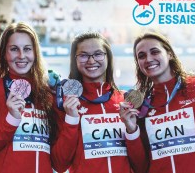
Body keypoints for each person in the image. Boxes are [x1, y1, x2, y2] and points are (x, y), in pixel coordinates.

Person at [119, 31, 195, 173]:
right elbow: (141, 167)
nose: (148, 59)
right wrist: (131, 130)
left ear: (169, 54)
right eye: (141, 56)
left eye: (154, 52)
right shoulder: (143, 105)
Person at [0, 22, 62, 172]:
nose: (21, 56)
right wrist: (10, 121)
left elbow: (61, 163)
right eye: (14, 49)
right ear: (5, 54)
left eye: (27, 49)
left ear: (35, 53)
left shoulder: (47, 93)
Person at [52, 32, 142, 173]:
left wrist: (132, 131)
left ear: (108, 57)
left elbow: (141, 167)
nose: (91, 61)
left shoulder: (125, 101)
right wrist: (71, 120)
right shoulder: (66, 105)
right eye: (83, 55)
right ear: (74, 60)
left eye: (98, 54)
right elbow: (59, 164)